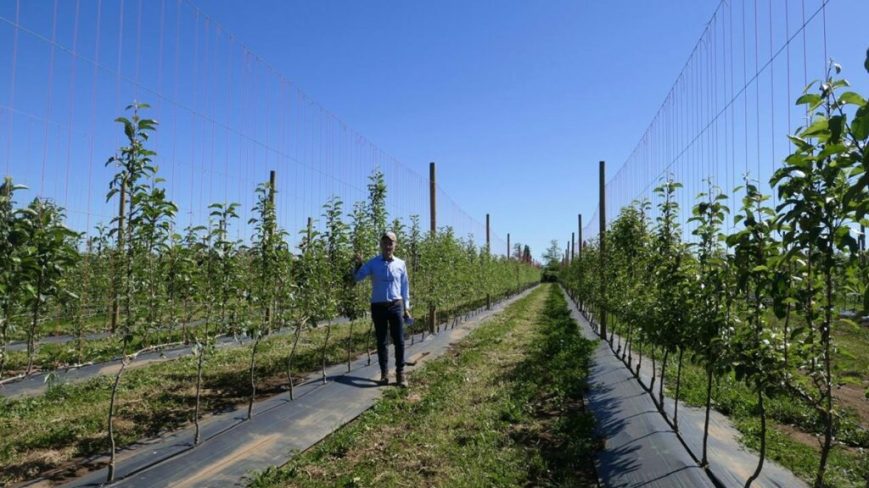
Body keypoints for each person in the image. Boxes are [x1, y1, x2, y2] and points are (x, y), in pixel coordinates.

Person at [354, 231, 412, 387]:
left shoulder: (400, 264)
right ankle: (384, 373)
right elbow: (358, 278)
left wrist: (406, 307)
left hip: (396, 305)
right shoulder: (373, 263)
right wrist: (359, 264)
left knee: (399, 340)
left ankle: (400, 373)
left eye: (391, 242)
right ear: (380, 245)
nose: (388, 245)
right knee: (381, 341)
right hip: (378, 306)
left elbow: (405, 287)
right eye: (385, 242)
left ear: (395, 245)